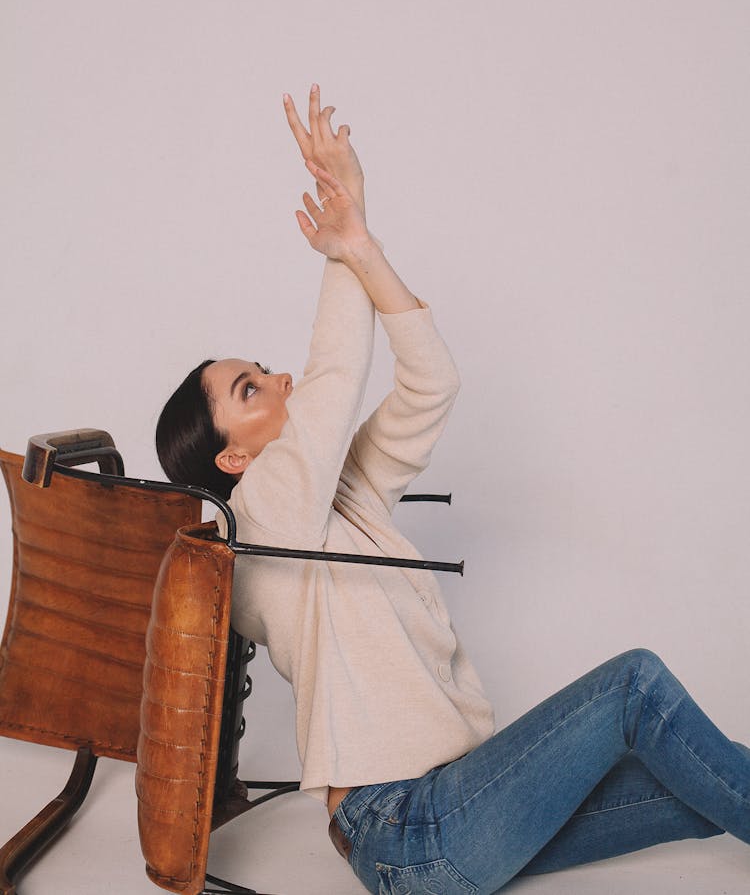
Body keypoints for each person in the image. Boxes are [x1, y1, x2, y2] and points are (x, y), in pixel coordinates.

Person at [156, 85, 749, 895]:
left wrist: (363, 245)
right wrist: (341, 237)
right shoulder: (258, 525)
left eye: (261, 369)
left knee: (698, 782)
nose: (280, 376)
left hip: (459, 806)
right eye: (251, 389)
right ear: (228, 459)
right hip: (406, 831)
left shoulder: (332, 505)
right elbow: (332, 382)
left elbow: (431, 383)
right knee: (635, 685)